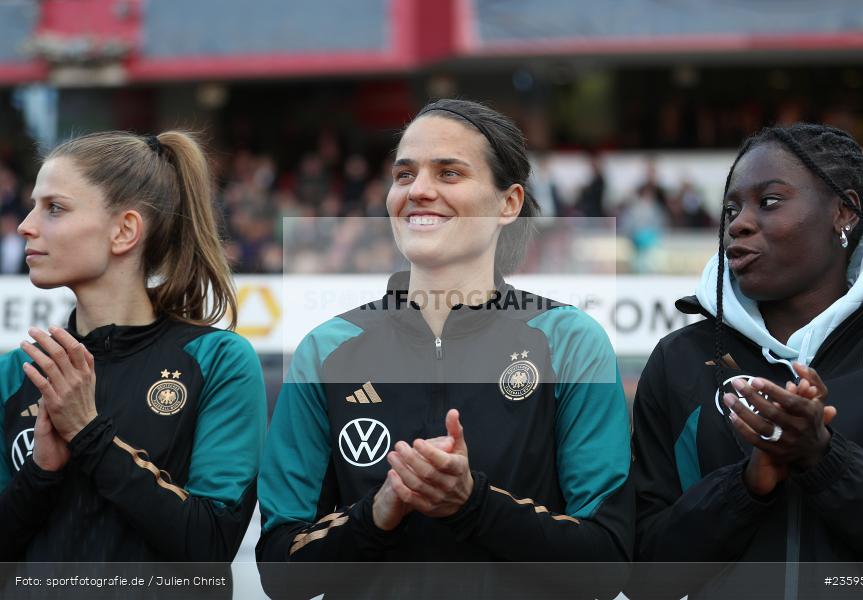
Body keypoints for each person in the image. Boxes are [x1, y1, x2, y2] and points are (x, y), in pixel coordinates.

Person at [257, 99, 632, 598]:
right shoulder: (327, 352)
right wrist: (380, 509)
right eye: (404, 175)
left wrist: (473, 503)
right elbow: (281, 571)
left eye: (449, 173)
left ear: (509, 204)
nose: (420, 191)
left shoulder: (569, 342)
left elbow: (607, 564)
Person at [631, 123, 863, 599]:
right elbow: (646, 574)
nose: (739, 223)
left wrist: (823, 458)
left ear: (844, 211)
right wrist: (746, 485)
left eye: (769, 201)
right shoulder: (682, 362)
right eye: (731, 208)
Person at [0, 131, 267, 564]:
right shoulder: (15, 373)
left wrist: (89, 435)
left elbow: (210, 543)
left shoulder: (218, 361)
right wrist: (40, 474)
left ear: (124, 231)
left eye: (54, 208)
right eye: (33, 205)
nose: (25, 224)